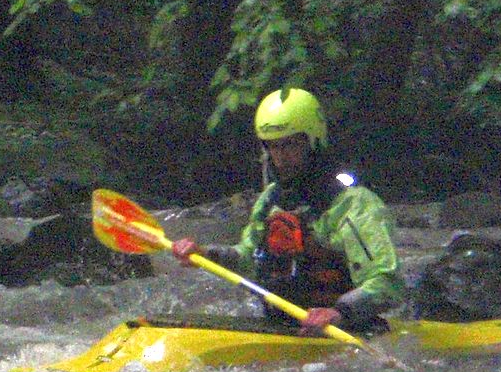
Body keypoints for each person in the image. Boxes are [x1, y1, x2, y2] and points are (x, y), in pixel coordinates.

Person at [169, 87, 403, 335]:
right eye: (273, 146)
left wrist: (339, 313)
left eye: (291, 144)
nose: (281, 157)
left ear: (313, 141)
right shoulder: (270, 201)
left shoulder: (355, 204)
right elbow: (249, 259)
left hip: (348, 329)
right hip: (282, 328)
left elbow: (388, 283)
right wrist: (206, 255)